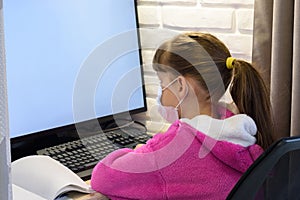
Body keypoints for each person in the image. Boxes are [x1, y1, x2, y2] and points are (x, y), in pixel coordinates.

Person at [90, 32, 274, 199]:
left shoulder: (175, 147)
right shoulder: (240, 132)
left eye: (163, 84)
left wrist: (142, 151)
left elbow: (103, 177)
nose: (161, 93)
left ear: (180, 86)